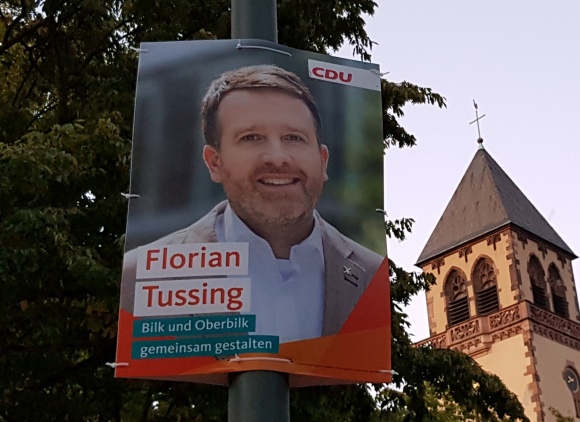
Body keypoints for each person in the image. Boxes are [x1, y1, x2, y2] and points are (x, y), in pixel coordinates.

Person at [120, 65, 384, 343]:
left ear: (323, 162)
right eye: (252, 138)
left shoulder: (372, 275)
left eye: (293, 138)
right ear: (214, 163)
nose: (277, 158)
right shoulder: (140, 277)